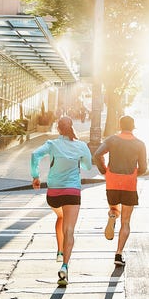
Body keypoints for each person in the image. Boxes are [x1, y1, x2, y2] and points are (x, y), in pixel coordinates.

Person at [31, 115, 93, 286]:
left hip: (54, 194)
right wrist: (78, 159)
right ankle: (65, 267)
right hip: (72, 192)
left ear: (58, 129)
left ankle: (59, 251)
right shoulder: (81, 146)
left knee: (60, 217)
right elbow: (88, 166)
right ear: (72, 126)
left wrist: (36, 177)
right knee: (70, 229)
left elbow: (34, 155)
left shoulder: (52, 144)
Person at [93, 115, 147, 267]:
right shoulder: (139, 144)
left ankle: (112, 214)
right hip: (129, 184)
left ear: (120, 125)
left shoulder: (112, 140)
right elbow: (143, 167)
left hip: (112, 182)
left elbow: (97, 154)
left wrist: (104, 170)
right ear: (133, 126)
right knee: (126, 221)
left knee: (114, 207)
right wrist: (135, 173)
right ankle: (118, 254)